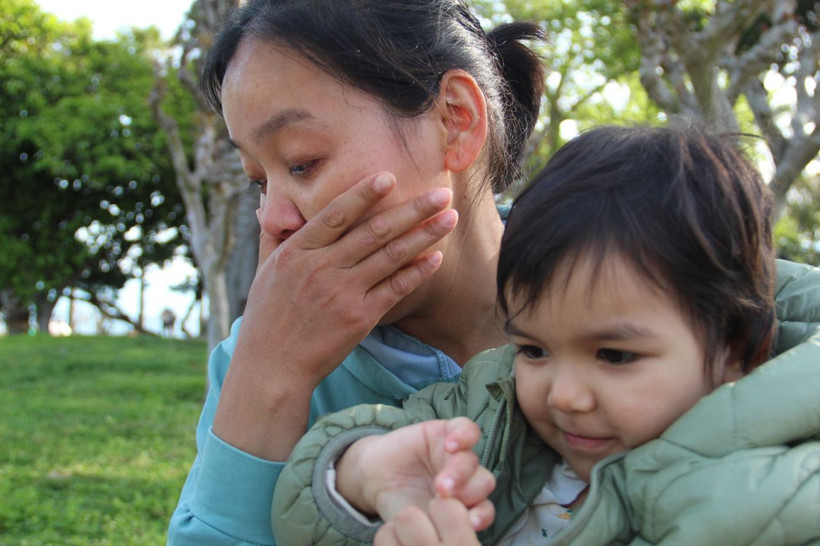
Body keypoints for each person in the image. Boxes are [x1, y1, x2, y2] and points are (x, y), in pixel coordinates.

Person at [271, 125, 820, 545]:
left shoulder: (779, 498)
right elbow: (311, 490)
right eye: (534, 348)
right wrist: (364, 472)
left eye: (615, 355)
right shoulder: (493, 409)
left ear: (738, 347)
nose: (563, 396)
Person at [166, 1, 548, 544]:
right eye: (260, 180)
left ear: (455, 120)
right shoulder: (254, 358)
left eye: (301, 163)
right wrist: (269, 376)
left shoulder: (632, 292)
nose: (275, 219)